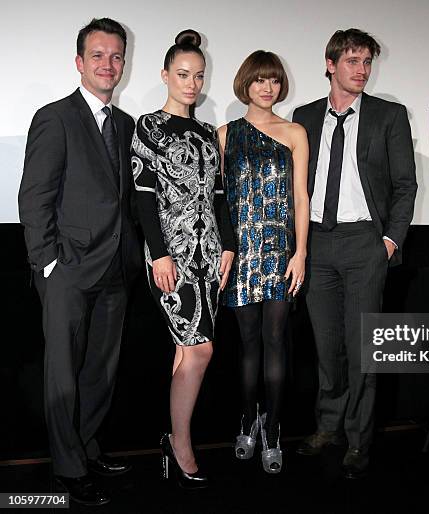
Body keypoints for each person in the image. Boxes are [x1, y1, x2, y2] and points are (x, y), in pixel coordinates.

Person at [18, 18, 141, 505]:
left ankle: (86, 449)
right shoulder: (55, 117)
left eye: (115, 56)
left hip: (115, 267)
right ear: (79, 62)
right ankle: (68, 469)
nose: (108, 64)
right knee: (64, 372)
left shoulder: (126, 124)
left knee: (100, 371)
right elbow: (35, 195)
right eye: (98, 55)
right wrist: (47, 262)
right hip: (67, 268)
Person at [292, 28, 418, 479]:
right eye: (352, 61)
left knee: (363, 348)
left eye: (366, 62)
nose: (361, 70)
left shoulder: (389, 115)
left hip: (367, 243)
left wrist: (390, 240)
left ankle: (359, 440)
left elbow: (405, 185)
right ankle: (328, 427)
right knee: (328, 347)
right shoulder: (303, 116)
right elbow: (295, 187)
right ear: (330, 65)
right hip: (318, 244)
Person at [130, 29, 235, 489]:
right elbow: (142, 197)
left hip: (210, 256)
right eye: (182, 74)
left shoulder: (208, 133)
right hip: (169, 256)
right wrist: (160, 256)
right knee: (201, 349)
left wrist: (228, 245)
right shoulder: (148, 127)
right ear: (165, 75)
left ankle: (173, 441)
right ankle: (181, 442)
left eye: (198, 76)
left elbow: (219, 197)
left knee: (185, 350)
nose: (191, 84)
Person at [218, 50, 309, 473]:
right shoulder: (224, 134)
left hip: (279, 253)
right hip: (239, 254)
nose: (267, 87)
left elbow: (301, 197)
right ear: (245, 84)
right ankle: (245, 420)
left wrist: (302, 253)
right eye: (259, 80)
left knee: (276, 342)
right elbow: (216, 201)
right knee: (247, 345)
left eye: (273, 80)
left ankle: (272, 428)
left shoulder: (294, 132)